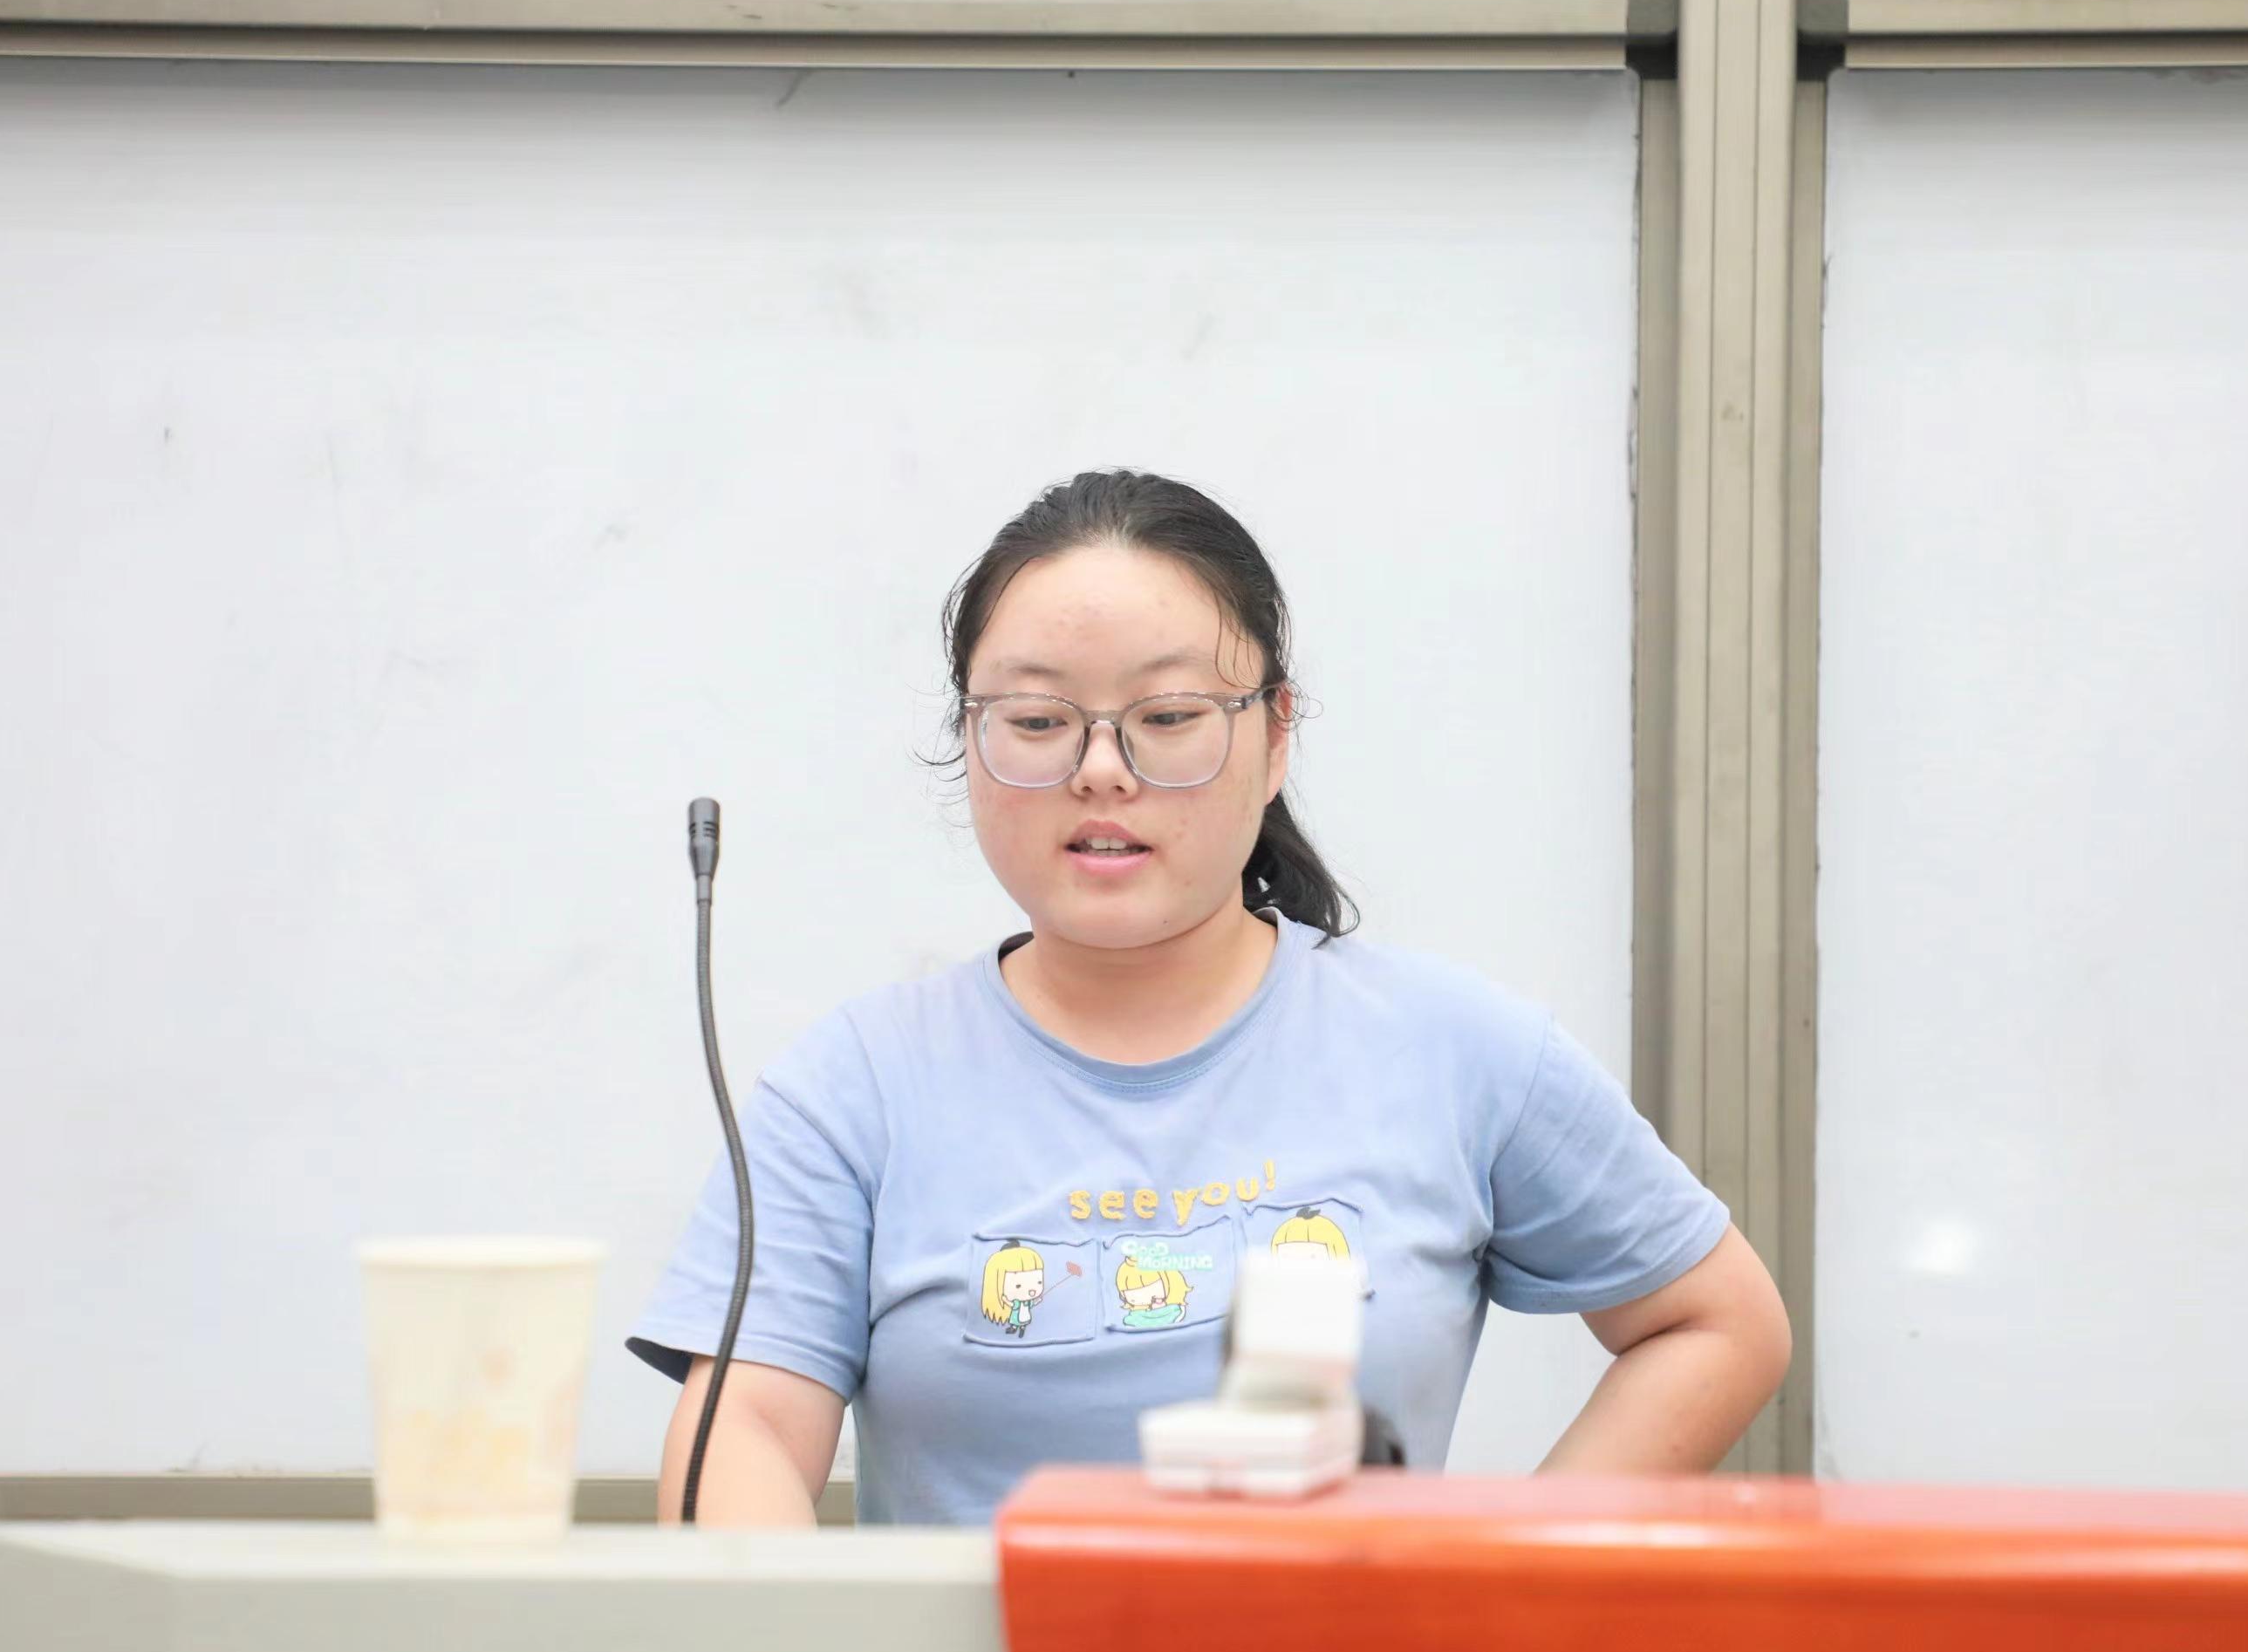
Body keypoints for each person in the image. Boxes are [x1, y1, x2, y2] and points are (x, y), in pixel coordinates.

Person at [631, 470, 1790, 1526]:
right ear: (969, 743)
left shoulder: (1452, 1048)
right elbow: (745, 1429)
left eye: (1169, 718)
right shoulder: (853, 1091)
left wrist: (1503, 1587)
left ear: (1275, 737)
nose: (1101, 769)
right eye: (1036, 721)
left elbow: (1717, 1322)